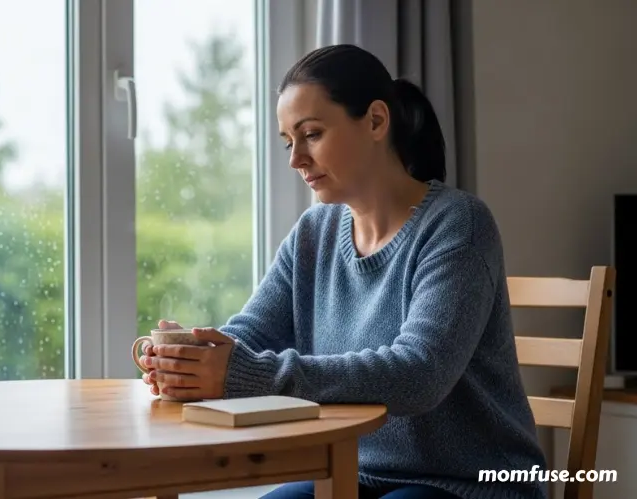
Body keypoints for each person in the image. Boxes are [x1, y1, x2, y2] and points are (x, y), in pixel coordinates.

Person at [139, 44, 547, 499]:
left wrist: (237, 374)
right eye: (288, 142)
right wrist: (192, 358)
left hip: (472, 484)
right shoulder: (314, 231)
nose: (296, 159)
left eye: (311, 134)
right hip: (354, 473)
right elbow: (252, 334)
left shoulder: (459, 224)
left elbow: (419, 375)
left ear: (375, 121)